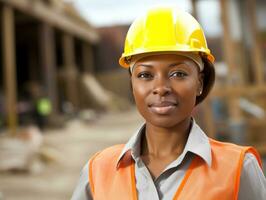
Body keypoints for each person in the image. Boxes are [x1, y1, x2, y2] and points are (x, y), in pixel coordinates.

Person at [71, 6, 266, 200]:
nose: (161, 87)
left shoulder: (238, 169)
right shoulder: (97, 171)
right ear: (132, 84)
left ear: (199, 82)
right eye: (145, 75)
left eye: (178, 74)